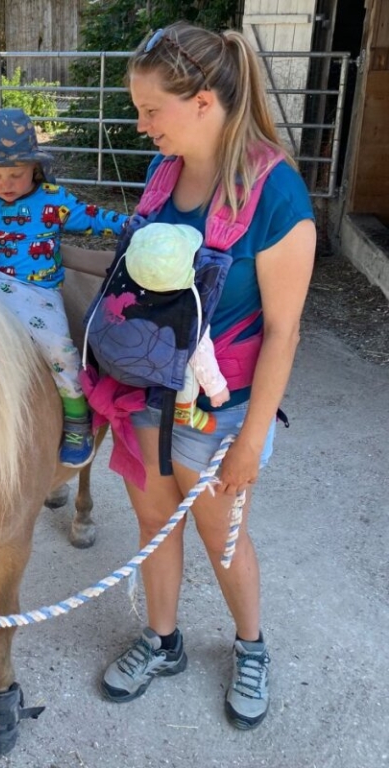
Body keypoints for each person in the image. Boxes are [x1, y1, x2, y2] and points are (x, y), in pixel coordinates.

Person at [65, 22, 316, 729]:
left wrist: (250, 442)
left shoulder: (276, 197)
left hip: (220, 411)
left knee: (220, 534)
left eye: (152, 111)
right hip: (148, 396)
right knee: (152, 523)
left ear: (205, 102)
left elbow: (283, 332)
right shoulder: (164, 174)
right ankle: (163, 639)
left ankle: (251, 645)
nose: (141, 126)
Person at [0, 107, 128, 468]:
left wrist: (130, 223)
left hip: (37, 292)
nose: (5, 183)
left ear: (35, 169)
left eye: (15, 174)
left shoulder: (53, 200)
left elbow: (91, 218)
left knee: (59, 350)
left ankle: (76, 418)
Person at [123, 221, 230, 433]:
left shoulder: (133, 291)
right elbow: (201, 353)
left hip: (139, 355)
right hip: (167, 363)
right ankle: (184, 411)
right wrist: (216, 388)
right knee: (187, 366)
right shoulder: (189, 309)